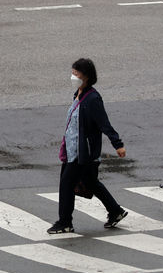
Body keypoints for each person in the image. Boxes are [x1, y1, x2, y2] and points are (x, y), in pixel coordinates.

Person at [48, 58, 128, 234]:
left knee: (66, 184)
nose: (72, 77)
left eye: (76, 74)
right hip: (73, 150)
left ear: (87, 76)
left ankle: (65, 222)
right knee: (91, 182)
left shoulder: (92, 99)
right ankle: (115, 211)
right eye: (72, 73)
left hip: (84, 153)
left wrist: (118, 144)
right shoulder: (79, 93)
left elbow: (104, 123)